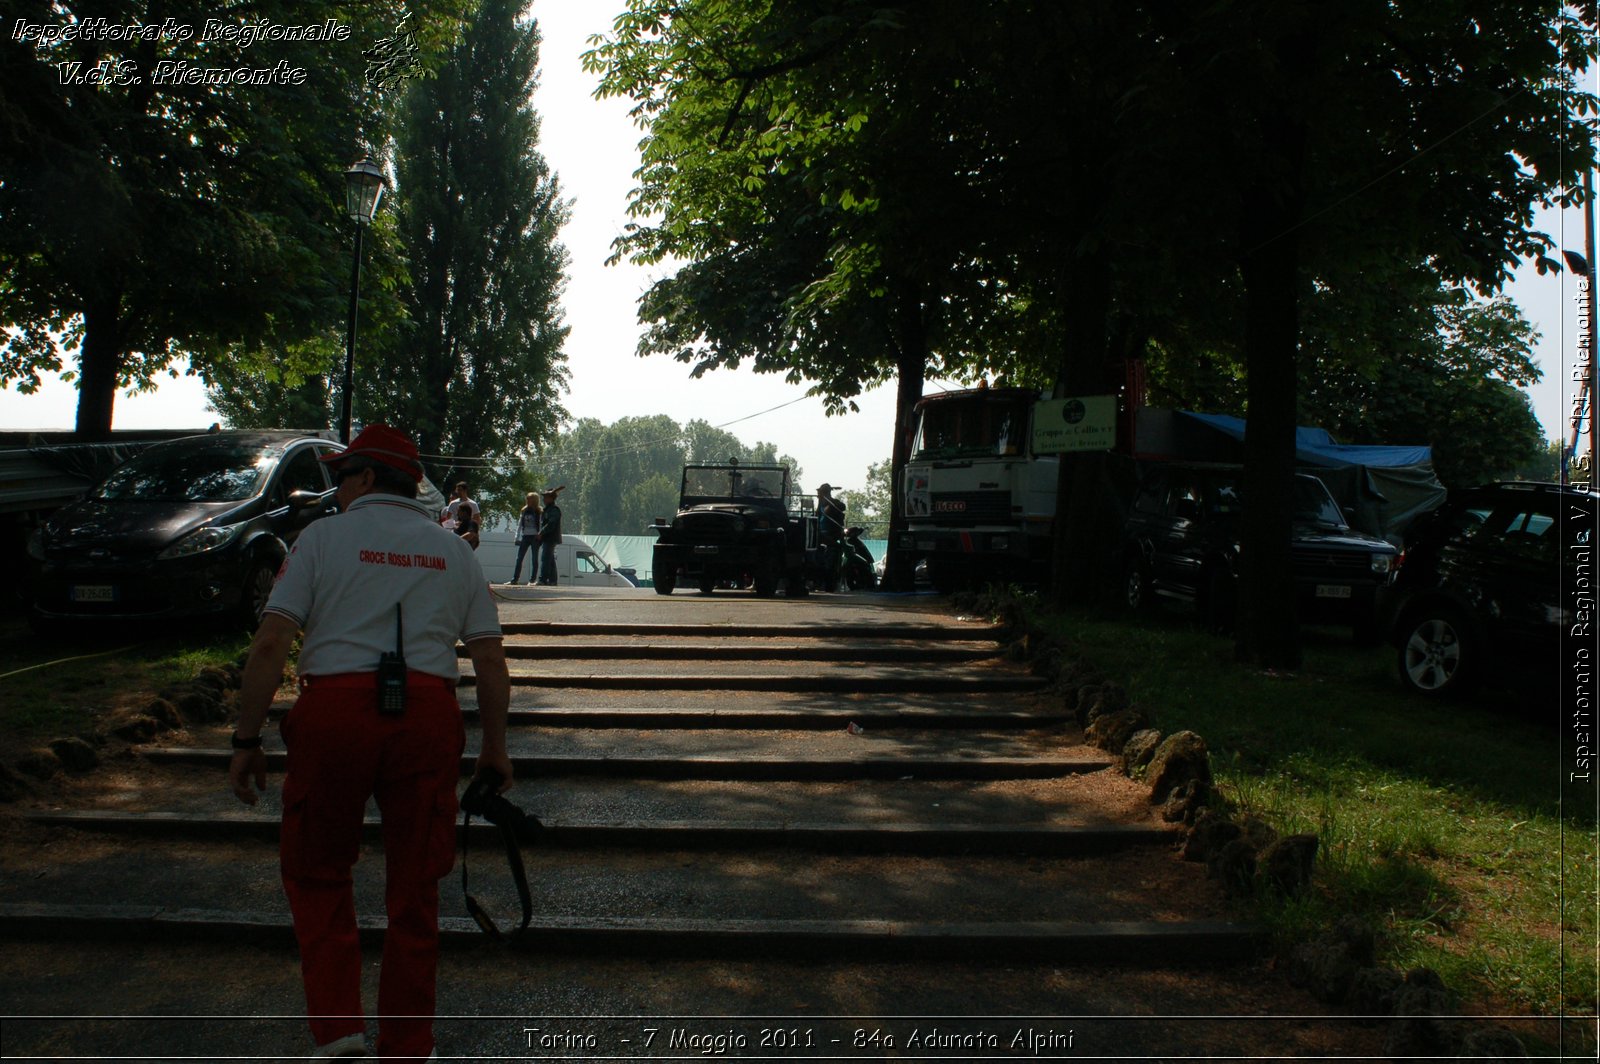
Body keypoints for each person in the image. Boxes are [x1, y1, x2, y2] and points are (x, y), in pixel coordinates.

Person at [228, 424, 512, 1062]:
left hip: (336, 712)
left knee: (317, 869)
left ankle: (340, 1036)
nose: (336, 490)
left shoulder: (323, 538)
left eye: (340, 478)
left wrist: (246, 737)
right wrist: (494, 747)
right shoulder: (454, 552)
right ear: (410, 484)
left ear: (361, 478)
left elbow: (272, 642)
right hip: (427, 716)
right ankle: (408, 1046)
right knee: (416, 888)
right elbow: (491, 663)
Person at [509, 492, 542, 584]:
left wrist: (539, 534)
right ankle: (515, 579)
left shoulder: (538, 511)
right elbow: (520, 524)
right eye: (527, 499)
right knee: (519, 558)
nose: (527, 500)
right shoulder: (524, 510)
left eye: (529, 499)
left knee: (534, 558)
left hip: (534, 536)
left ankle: (532, 579)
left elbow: (540, 523)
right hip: (525, 536)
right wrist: (517, 536)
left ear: (534, 500)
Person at [536, 487, 562, 585]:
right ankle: (553, 580)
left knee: (545, 558)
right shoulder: (547, 510)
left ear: (551, 498)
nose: (544, 499)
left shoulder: (554, 510)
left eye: (546, 497)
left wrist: (541, 532)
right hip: (547, 538)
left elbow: (551, 524)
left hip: (551, 538)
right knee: (550, 559)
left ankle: (543, 579)